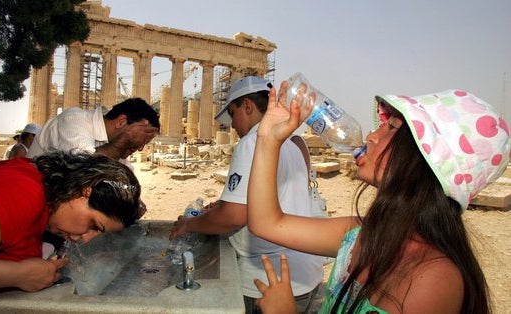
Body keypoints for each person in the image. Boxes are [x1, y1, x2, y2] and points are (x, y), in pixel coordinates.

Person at [247, 83, 510, 313]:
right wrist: (268, 139)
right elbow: (266, 222)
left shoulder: (434, 278)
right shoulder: (358, 234)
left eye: (392, 127)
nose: (372, 136)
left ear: (429, 161)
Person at [169, 76, 324, 313]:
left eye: (233, 114)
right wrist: (225, 203)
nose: (231, 125)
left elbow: (233, 216)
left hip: (268, 280)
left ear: (248, 106)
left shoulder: (253, 142)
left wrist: (189, 225)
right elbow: (276, 197)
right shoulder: (292, 143)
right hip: (306, 273)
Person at [0, 151, 141, 313]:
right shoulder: (21, 195)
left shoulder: (38, 186)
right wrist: (18, 274)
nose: (84, 237)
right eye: (93, 225)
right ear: (85, 192)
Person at [27, 97, 160, 165]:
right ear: (121, 122)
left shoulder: (113, 145)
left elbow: (125, 179)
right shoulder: (74, 120)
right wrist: (126, 138)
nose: (141, 148)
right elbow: (85, 165)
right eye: (142, 138)